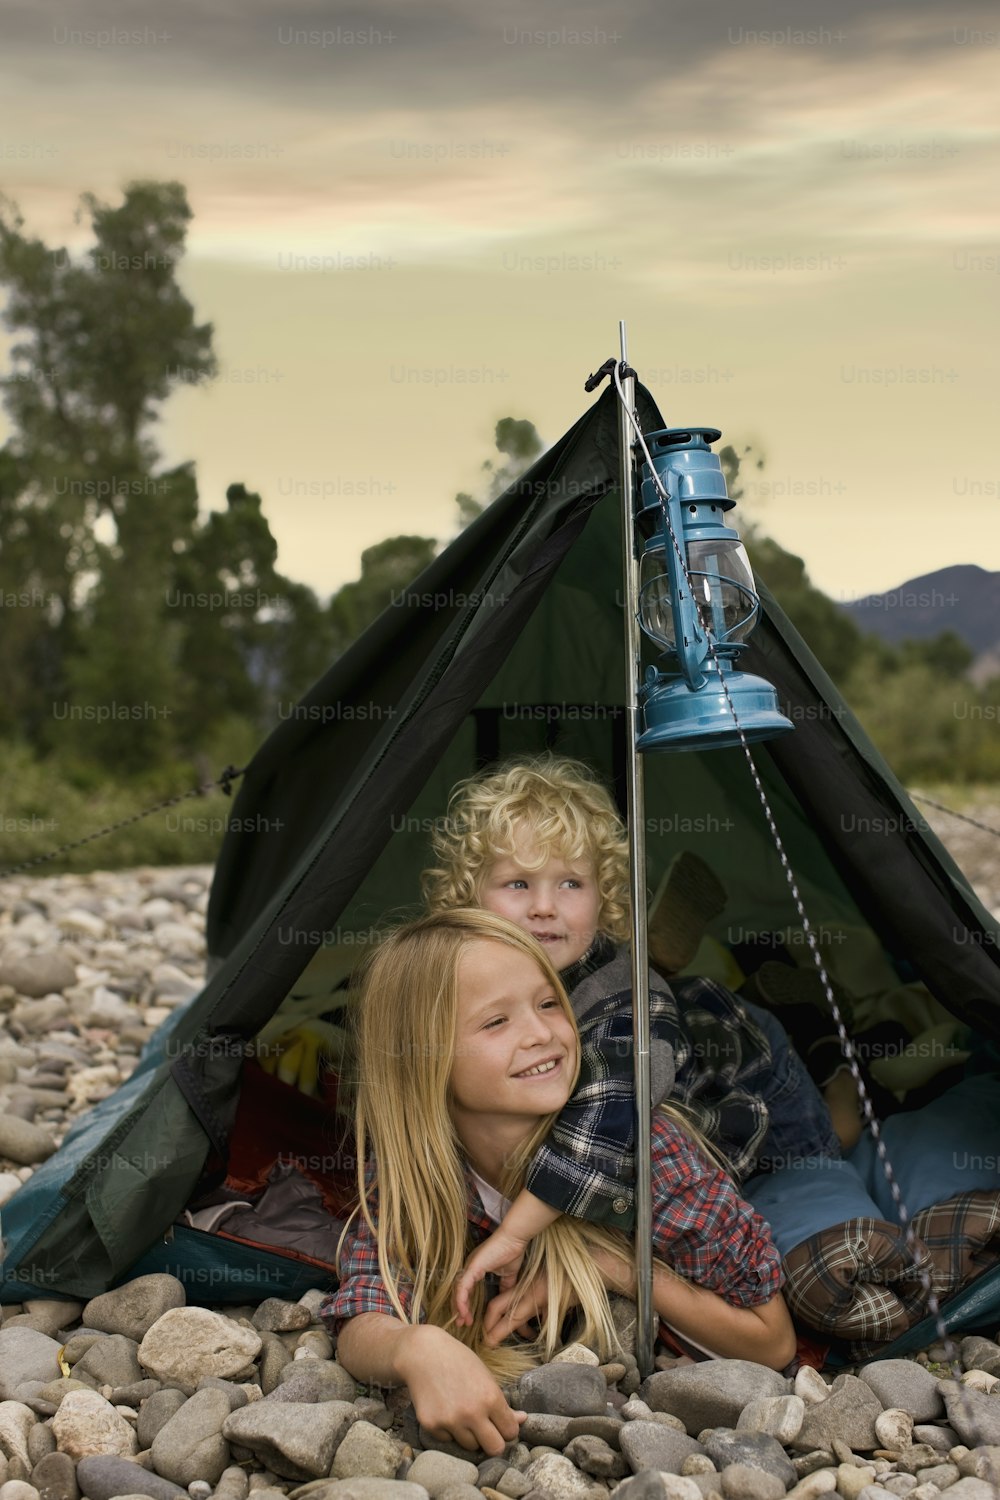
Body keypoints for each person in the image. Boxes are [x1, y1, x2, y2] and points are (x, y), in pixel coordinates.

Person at [321, 910, 796, 1454]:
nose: (543, 1033)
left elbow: (774, 1341)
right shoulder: (418, 1173)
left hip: (744, 1064)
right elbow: (362, 1315)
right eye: (496, 1022)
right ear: (420, 1060)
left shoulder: (646, 1151)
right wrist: (416, 1348)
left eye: (549, 1003)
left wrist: (613, 1268)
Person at [421, 755, 842, 1320]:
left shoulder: (626, 1000)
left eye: (571, 883)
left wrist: (516, 1232)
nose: (543, 905)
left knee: (834, 1145)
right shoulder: (467, 975)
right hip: (664, 1008)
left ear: (603, 896)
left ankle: (837, 1056)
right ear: (469, 898)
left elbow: (613, 1110)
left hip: (745, 1070)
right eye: (518, 883)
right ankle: (667, 956)